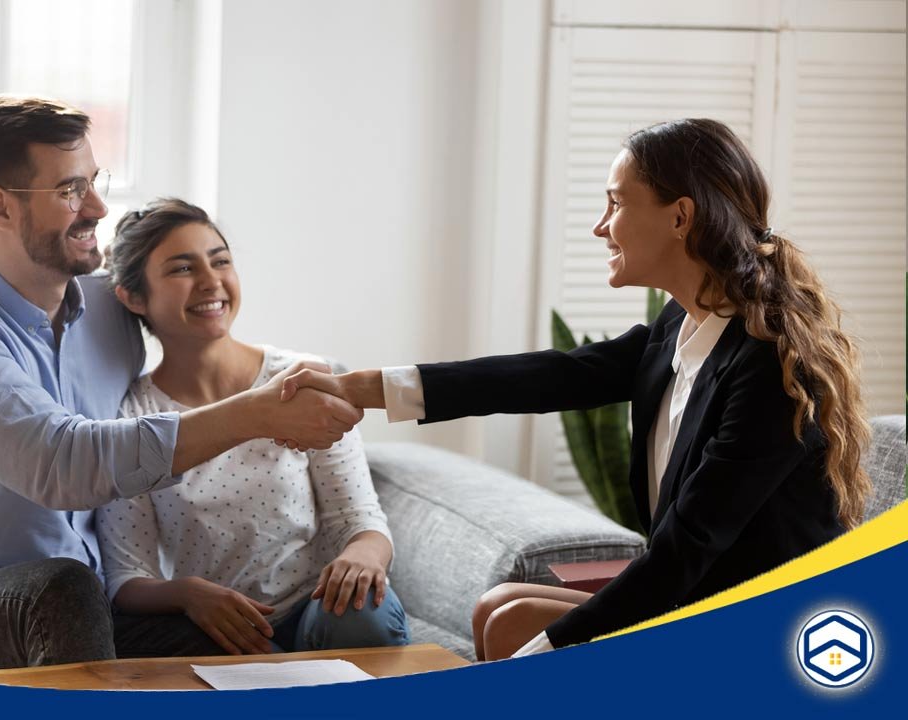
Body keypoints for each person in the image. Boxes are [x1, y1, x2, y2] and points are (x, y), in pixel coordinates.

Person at [279, 118, 872, 660]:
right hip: (704, 593)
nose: (599, 226)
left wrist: (544, 657)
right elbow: (550, 374)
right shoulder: (681, 326)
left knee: (520, 630)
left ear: (680, 217)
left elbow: (685, 548)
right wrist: (361, 388)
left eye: (615, 203)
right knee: (501, 607)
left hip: (770, 631)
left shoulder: (765, 368)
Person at [0, 96, 363, 674]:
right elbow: (66, 465)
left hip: (85, 608)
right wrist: (254, 413)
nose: (96, 206)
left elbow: (198, 319)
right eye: (69, 190)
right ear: (1, 208)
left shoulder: (107, 309)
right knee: (63, 588)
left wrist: (298, 384)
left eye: (94, 181)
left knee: (255, 663)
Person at [95, 198, 410, 656]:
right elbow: (126, 574)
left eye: (220, 261)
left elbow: (359, 519)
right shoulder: (132, 418)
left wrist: (362, 555)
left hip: (319, 609)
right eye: (183, 269)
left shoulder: (303, 380)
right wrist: (187, 594)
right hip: (218, 629)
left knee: (363, 610)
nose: (211, 282)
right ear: (133, 295)